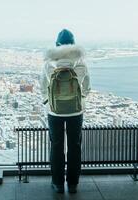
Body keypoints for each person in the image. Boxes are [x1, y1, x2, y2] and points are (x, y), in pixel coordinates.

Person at [41, 29, 91, 193]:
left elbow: (43, 86)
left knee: (56, 145)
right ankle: (73, 183)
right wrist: (79, 99)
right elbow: (86, 86)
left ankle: (58, 183)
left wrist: (49, 102)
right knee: (74, 146)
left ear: (57, 44)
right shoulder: (80, 61)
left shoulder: (49, 62)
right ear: (73, 44)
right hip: (75, 111)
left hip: (54, 111)